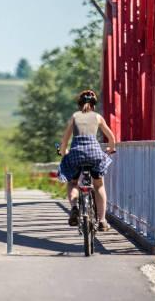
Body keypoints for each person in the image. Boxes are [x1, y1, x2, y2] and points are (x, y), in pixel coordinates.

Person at [58, 89, 116, 232]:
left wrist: (63, 152)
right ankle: (102, 220)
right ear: (94, 105)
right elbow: (111, 138)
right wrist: (110, 149)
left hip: (77, 154)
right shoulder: (97, 117)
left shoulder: (74, 117)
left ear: (79, 104)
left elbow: (64, 140)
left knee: (72, 182)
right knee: (99, 185)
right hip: (94, 154)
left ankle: (74, 207)